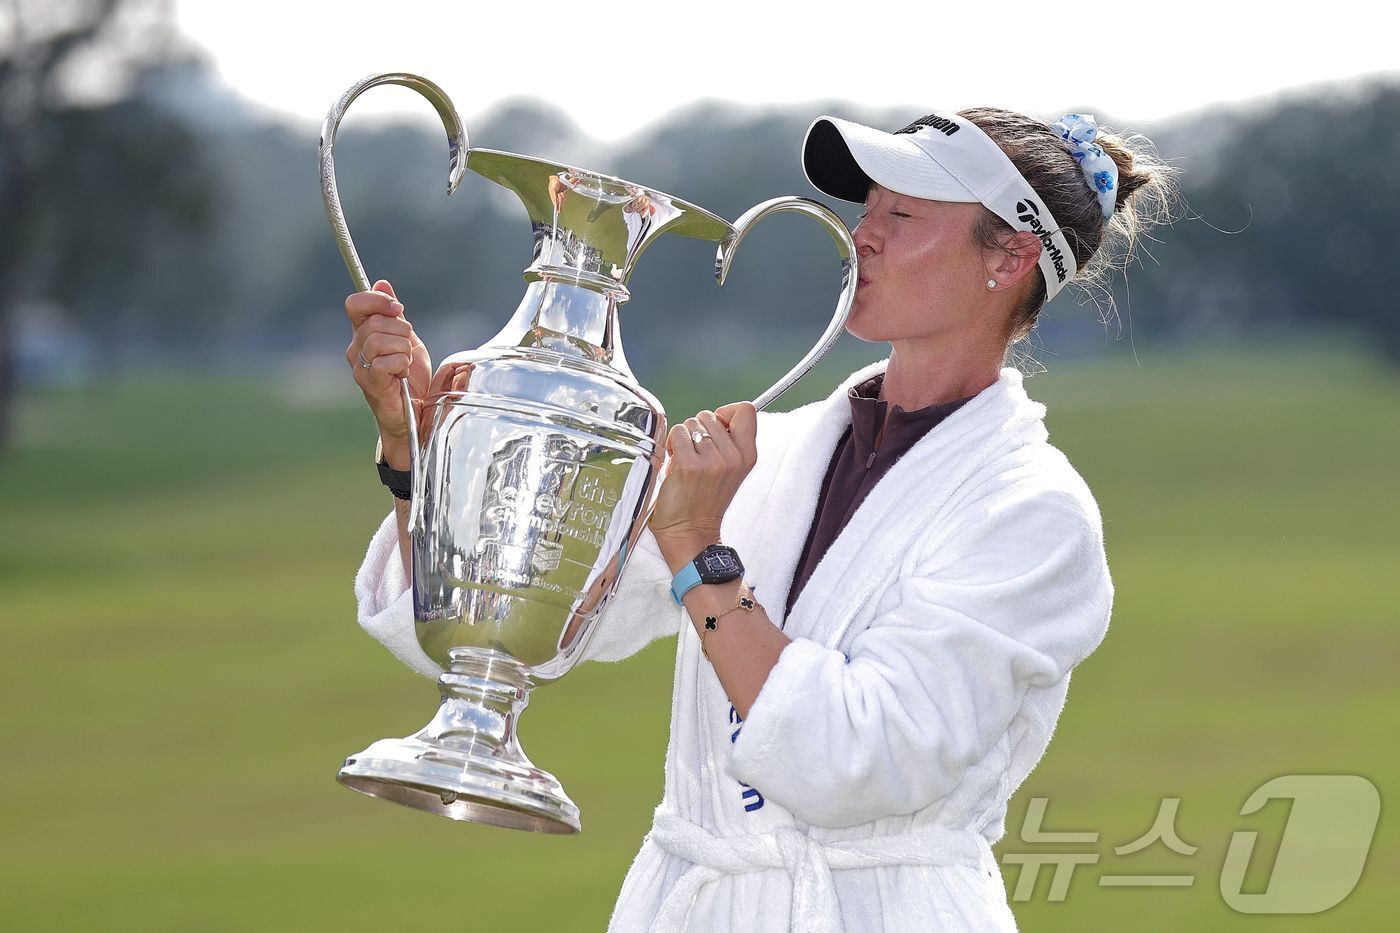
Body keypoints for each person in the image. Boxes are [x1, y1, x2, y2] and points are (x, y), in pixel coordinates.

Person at [345, 108, 1178, 931]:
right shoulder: (771, 453)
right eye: (867, 210)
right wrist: (416, 450)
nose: (864, 237)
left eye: (903, 215)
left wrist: (698, 548)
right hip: (697, 902)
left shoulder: (1034, 512)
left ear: (1011, 256)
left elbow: (855, 758)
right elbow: (551, 615)